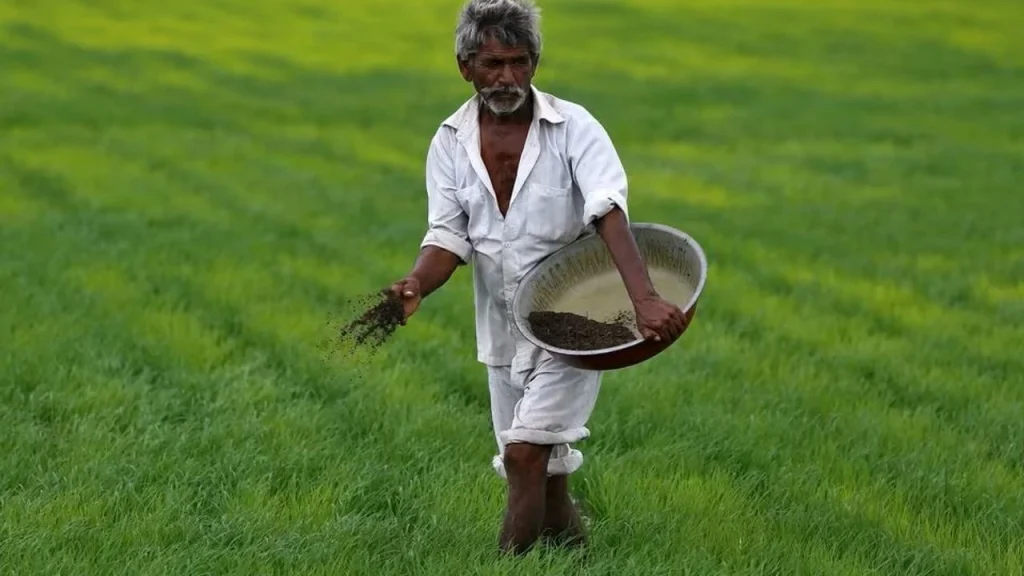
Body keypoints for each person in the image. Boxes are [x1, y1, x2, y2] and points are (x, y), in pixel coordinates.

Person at [389, 0, 690, 555]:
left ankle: (506, 564)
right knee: (544, 475)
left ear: (536, 63)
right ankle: (577, 556)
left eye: (520, 62)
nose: (507, 76)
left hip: (576, 322)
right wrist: (414, 285)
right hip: (502, 328)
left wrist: (644, 298)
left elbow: (608, 210)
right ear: (465, 66)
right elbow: (447, 237)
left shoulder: (574, 128)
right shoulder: (450, 142)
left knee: (523, 454)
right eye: (492, 63)